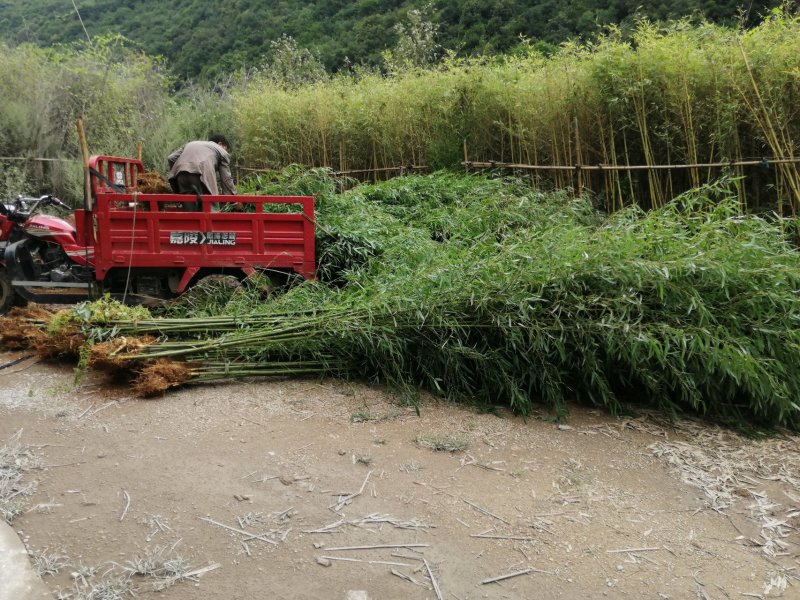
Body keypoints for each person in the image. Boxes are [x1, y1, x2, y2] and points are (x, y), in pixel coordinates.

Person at [167, 134, 237, 211]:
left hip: (181, 176)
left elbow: (171, 158)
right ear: (220, 144)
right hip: (201, 174)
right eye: (226, 148)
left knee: (189, 210)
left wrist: (177, 172)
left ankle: (191, 222)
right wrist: (232, 199)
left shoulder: (191, 144)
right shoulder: (221, 151)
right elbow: (226, 178)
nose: (226, 151)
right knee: (211, 206)